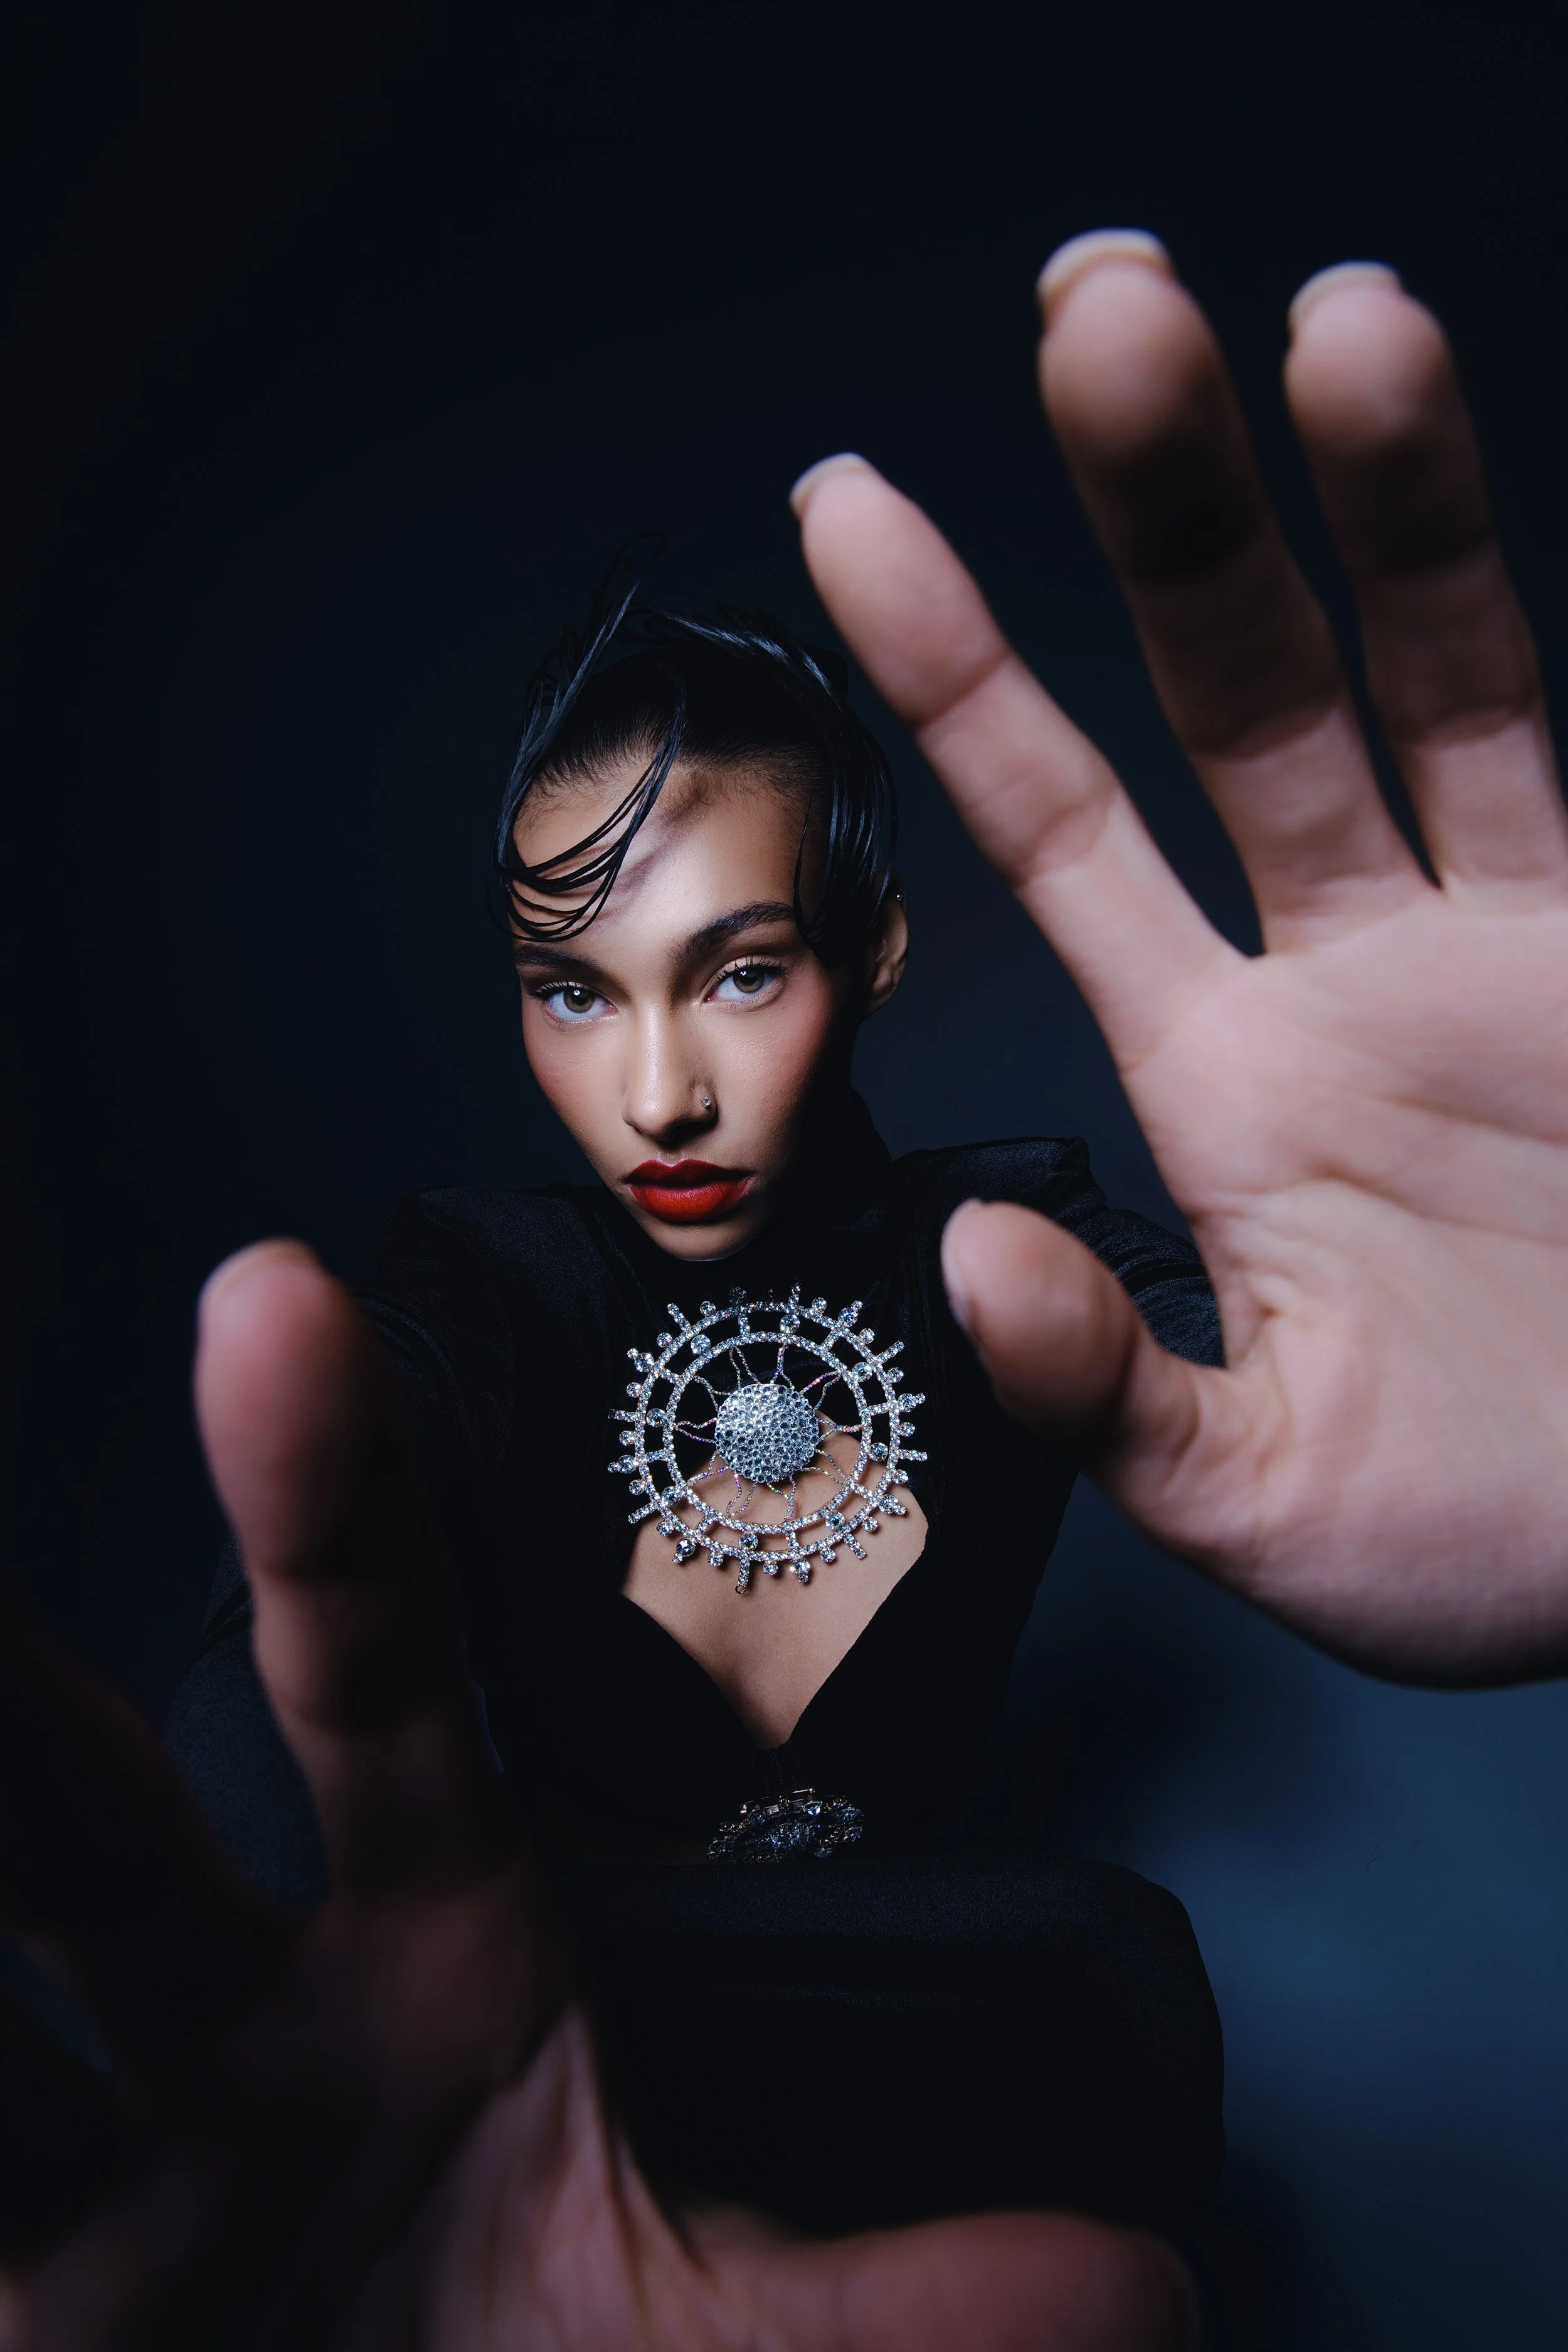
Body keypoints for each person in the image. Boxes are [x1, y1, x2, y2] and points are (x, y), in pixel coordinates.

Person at [3, 228, 1565, 2348]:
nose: (654, 1086)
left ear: (873, 956)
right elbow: (275, 1678)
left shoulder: (1014, 1243)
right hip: (510, 2078)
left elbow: (1274, 1359)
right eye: (573, 991)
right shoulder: (475, 1289)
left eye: (737, 971)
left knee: (1096, 1975)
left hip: (920, 2083)